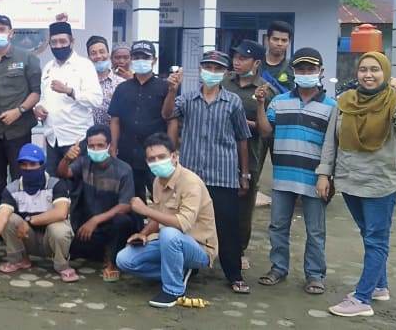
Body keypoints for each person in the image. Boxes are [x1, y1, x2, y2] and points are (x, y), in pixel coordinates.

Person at [317, 52, 396, 317]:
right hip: (349, 180)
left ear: (385, 73)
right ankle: (379, 286)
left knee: (376, 239)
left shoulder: (392, 101)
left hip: (380, 184)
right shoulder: (345, 101)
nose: (368, 74)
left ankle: (362, 298)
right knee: (369, 235)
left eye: (375, 69)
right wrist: (324, 174)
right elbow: (331, 141)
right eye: (363, 69)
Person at [163, 50, 252, 294]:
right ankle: (189, 268)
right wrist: (171, 90)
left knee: (227, 226)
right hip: (192, 176)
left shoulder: (233, 101)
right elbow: (167, 114)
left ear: (225, 73)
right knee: (189, 223)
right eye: (208, 67)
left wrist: (244, 174)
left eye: (217, 68)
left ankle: (234, 273)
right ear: (201, 70)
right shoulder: (187, 99)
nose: (212, 72)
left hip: (223, 174)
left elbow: (242, 138)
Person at [254, 48, 334, 295]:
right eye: (301, 69)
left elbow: (333, 145)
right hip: (283, 177)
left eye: (311, 69)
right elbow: (265, 131)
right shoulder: (279, 102)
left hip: (315, 179)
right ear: (294, 72)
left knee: (315, 231)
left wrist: (326, 176)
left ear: (321, 72)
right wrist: (260, 105)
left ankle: (315, 274)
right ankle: (278, 268)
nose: (306, 73)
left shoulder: (332, 107)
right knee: (278, 226)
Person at [116, 133, 217, 309]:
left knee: (169, 233)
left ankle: (174, 290)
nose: (157, 162)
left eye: (161, 157)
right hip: (170, 242)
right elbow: (158, 215)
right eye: (151, 159)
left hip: (199, 247)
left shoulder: (190, 182)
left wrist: (144, 210)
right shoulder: (158, 181)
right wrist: (143, 233)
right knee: (124, 259)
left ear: (174, 156)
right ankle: (177, 272)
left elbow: (182, 224)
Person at [0, 143, 77, 282]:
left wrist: (29, 220)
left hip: (50, 240)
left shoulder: (56, 184)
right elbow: (1, 216)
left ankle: (62, 266)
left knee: (59, 228)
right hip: (27, 238)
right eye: (24, 164)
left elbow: (61, 213)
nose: (28, 168)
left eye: (33, 164)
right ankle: (18, 260)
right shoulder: (12, 188)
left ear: (42, 165)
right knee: (9, 218)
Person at [56, 125, 137, 282]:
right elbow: (63, 173)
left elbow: (125, 205)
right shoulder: (84, 162)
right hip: (88, 227)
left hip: (110, 224)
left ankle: (112, 262)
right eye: (92, 146)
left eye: (100, 145)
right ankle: (102, 252)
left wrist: (96, 220)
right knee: (74, 249)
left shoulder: (123, 169)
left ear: (109, 145)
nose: (96, 149)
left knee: (123, 221)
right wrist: (66, 159)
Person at [221, 39, 276, 269]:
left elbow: (266, 129)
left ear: (256, 63)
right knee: (219, 201)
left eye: (243, 58)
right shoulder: (224, 81)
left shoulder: (265, 90)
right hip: (220, 151)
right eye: (236, 57)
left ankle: (239, 249)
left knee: (243, 205)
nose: (237, 61)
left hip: (250, 154)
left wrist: (242, 122)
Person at [0, 14, 41, 195]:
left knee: (20, 177)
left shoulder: (27, 58)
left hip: (19, 130)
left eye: (2, 30)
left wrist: (19, 111)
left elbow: (36, 93)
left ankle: (19, 210)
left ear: (11, 33)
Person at [35, 20, 102, 176]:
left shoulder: (84, 66)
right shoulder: (48, 67)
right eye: (54, 42)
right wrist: (38, 108)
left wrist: (69, 91)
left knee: (75, 184)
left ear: (72, 42)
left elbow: (96, 100)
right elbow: (44, 98)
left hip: (76, 140)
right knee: (54, 183)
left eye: (63, 41)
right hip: (52, 138)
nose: (58, 46)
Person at [108, 41, 170, 199]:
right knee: (131, 198)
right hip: (127, 151)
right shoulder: (122, 88)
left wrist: (171, 147)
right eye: (136, 57)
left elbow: (171, 119)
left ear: (154, 60)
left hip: (155, 153)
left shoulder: (165, 87)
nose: (140, 60)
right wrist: (113, 146)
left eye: (145, 57)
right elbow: (115, 119)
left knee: (161, 196)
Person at [87, 35, 127, 126]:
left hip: (113, 132)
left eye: (102, 52)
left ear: (108, 54)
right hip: (87, 133)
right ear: (89, 57)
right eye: (93, 53)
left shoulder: (121, 83)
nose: (98, 56)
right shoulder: (83, 82)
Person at [262, 21, 295, 93]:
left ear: (289, 42)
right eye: (275, 39)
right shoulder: (256, 64)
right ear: (267, 39)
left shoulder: (293, 67)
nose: (279, 44)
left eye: (284, 40)